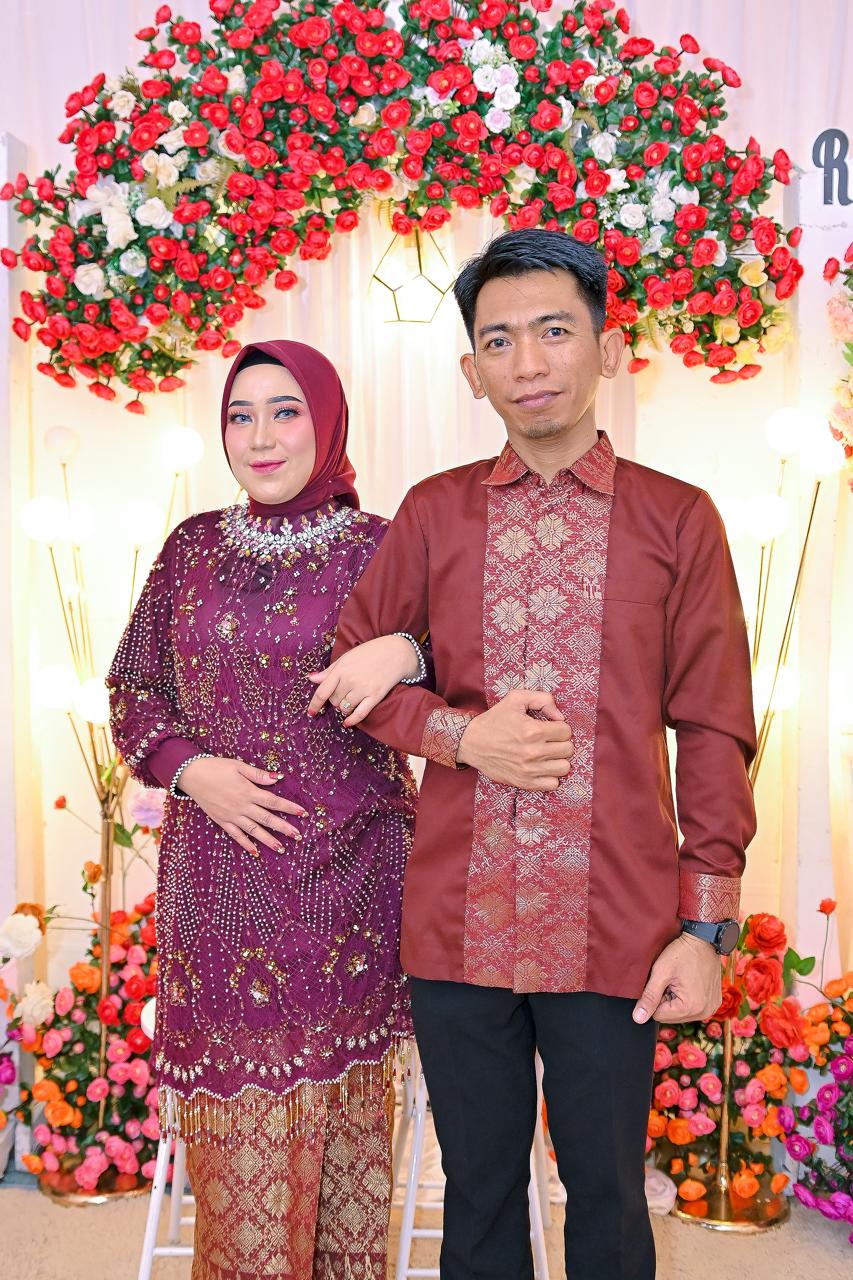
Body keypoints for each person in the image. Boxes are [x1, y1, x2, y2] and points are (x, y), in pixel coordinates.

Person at [309, 230, 757, 1280]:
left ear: (609, 348)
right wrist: (465, 737)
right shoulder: (434, 511)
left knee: (607, 1197)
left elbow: (713, 725)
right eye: (499, 340)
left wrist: (704, 928)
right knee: (476, 1198)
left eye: (554, 331)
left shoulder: (677, 518)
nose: (528, 362)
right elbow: (352, 678)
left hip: (616, 924)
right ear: (471, 370)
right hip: (457, 921)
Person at [108, 339, 429, 1280]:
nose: (260, 437)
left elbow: (458, 666)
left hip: (355, 884)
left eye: (285, 412)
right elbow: (133, 686)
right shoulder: (192, 547)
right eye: (240, 416)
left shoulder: (382, 546)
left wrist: (406, 651)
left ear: (326, 422)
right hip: (221, 886)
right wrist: (191, 769)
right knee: (240, 1160)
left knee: (348, 1149)